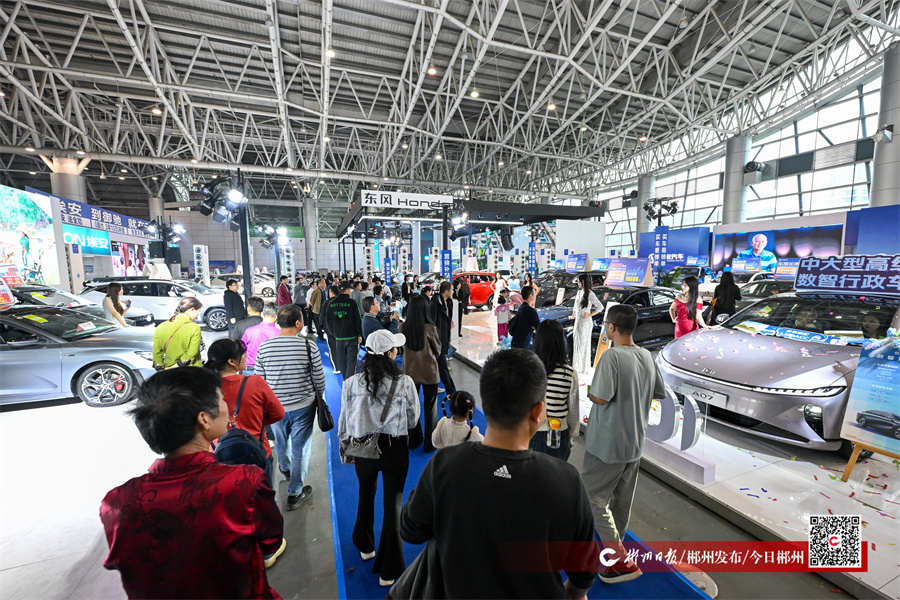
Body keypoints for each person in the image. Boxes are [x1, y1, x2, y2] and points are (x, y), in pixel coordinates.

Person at [400, 349, 599, 598]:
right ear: (538, 412)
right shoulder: (567, 480)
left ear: (484, 403)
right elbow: (583, 570)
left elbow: (410, 530)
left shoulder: (444, 465)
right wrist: (575, 592)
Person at [100, 369, 285, 599]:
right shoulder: (244, 482)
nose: (225, 407)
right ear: (204, 419)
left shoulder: (116, 503)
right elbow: (271, 542)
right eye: (221, 399)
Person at [581, 304, 666, 583]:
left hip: (608, 443)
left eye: (606, 323)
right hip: (634, 442)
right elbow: (658, 393)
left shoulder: (612, 356)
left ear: (612, 327)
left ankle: (619, 561)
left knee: (593, 498)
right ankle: (614, 553)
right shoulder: (646, 356)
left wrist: (591, 393)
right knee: (620, 503)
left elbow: (600, 396)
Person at [339, 329, 420, 587]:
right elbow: (412, 420)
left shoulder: (351, 383)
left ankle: (365, 545)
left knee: (365, 493)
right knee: (393, 505)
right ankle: (389, 569)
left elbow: (345, 422)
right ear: (390, 353)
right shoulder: (404, 382)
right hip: (395, 448)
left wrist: (346, 449)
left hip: (364, 449)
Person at [255, 305, 326, 511]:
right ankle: (295, 492)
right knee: (300, 449)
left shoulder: (265, 347)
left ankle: (285, 468)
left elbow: (259, 380)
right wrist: (318, 396)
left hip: (275, 407)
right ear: (298, 323)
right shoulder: (308, 346)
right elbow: (319, 379)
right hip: (304, 406)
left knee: (280, 439)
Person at [204, 338, 285, 484]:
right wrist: (256, 422)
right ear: (231, 361)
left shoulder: (203, 390)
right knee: (263, 494)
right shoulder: (255, 382)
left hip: (219, 455)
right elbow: (278, 413)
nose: (246, 356)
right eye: (242, 353)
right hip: (257, 451)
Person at [531, 320, 579, 462]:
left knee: (533, 472)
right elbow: (573, 410)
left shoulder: (529, 370)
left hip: (533, 432)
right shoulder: (569, 373)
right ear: (561, 342)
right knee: (557, 473)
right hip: (559, 433)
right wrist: (571, 435)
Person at [400, 294, 442, 452]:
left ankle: (414, 439)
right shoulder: (431, 329)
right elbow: (437, 351)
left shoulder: (402, 328)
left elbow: (400, 351)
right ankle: (430, 443)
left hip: (409, 373)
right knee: (430, 408)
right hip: (430, 372)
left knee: (411, 406)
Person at [324, 282, 364, 379]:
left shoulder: (331, 303)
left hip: (338, 337)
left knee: (341, 360)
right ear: (347, 290)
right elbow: (357, 319)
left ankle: (344, 379)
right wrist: (359, 334)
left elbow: (328, 320)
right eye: (350, 290)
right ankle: (348, 380)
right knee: (351, 360)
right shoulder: (352, 302)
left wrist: (333, 333)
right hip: (352, 336)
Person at [152, 297, 203, 369]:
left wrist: (161, 369)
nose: (198, 315)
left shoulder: (161, 326)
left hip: (169, 372)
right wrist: (176, 366)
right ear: (192, 309)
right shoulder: (194, 328)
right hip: (191, 371)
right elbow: (191, 353)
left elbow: (157, 353)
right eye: (198, 311)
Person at [429, 281, 457, 395]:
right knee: (443, 367)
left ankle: (434, 386)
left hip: (444, 338)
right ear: (446, 291)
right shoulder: (434, 304)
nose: (453, 291)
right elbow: (431, 324)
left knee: (438, 366)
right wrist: (434, 340)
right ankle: (452, 392)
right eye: (452, 290)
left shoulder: (449, 302)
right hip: (436, 340)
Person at [572, 273, 603, 373]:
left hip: (585, 323)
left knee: (582, 344)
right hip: (578, 321)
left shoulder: (590, 294)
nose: (578, 283)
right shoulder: (579, 292)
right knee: (577, 343)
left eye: (579, 281)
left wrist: (589, 314)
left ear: (583, 282)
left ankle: (581, 368)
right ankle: (577, 367)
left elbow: (600, 307)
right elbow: (575, 307)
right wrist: (573, 316)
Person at [242, 302, 280, 375]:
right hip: (271, 370)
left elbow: (241, 349)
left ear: (262, 314)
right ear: (276, 317)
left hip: (251, 369)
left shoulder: (249, 331)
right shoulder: (279, 334)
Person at [509, 285, 541, 350]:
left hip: (516, 342)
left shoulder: (521, 307)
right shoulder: (531, 310)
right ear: (530, 296)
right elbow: (539, 328)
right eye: (534, 293)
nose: (535, 296)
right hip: (523, 346)